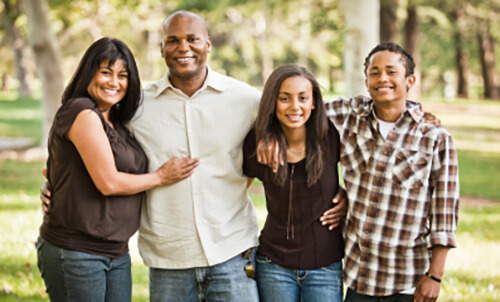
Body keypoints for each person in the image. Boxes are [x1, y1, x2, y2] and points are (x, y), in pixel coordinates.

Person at [41, 10, 348, 301]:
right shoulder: (135, 104)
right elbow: (90, 145)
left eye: (192, 39)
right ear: (161, 48)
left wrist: (342, 193)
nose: (183, 47)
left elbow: (301, 125)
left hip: (232, 252)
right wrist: (56, 183)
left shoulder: (246, 100)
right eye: (173, 40)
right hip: (169, 258)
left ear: (208, 44)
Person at [258, 42, 459, 302]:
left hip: (408, 279)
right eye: (374, 72)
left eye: (391, 71)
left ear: (410, 80)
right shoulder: (348, 116)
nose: (382, 78)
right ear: (366, 82)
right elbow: (296, 108)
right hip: (360, 278)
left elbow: (444, 214)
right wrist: (268, 135)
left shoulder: (434, 138)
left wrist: (435, 276)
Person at [36, 37, 199, 302]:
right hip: (76, 251)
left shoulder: (117, 123)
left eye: (122, 75)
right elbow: (108, 182)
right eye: (105, 72)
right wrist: (160, 176)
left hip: (116, 253)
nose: (114, 82)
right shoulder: (82, 112)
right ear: (89, 73)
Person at [243, 65, 344, 302]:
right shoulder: (258, 145)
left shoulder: (330, 136)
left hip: (325, 266)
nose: (295, 107)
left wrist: (347, 195)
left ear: (314, 102)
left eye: (303, 98)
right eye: (284, 98)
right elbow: (234, 192)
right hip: (273, 264)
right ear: (272, 102)